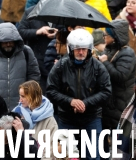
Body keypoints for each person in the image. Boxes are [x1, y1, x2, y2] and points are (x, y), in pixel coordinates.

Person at [46, 29, 112, 160]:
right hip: (66, 118)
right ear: (71, 49)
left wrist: (85, 104)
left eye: (84, 49)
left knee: (93, 156)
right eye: (77, 49)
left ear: (89, 49)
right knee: (65, 156)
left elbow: (106, 91)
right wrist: (70, 101)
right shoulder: (60, 66)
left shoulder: (98, 67)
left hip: (92, 118)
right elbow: (50, 90)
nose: (81, 52)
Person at [0, 23, 41, 108]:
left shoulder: (26, 52)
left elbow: (34, 75)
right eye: (5, 42)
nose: (8, 44)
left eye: (11, 41)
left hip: (21, 105)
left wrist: (29, 96)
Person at [98, 19, 136, 131]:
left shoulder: (127, 53)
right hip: (110, 100)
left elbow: (121, 76)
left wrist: (105, 62)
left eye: (106, 34)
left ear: (114, 37)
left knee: (119, 134)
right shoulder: (109, 49)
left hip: (120, 100)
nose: (104, 37)